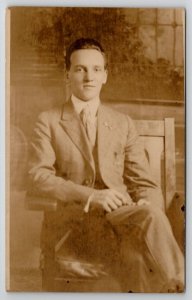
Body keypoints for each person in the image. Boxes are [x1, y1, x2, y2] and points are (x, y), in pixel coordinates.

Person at [28, 38, 184, 292]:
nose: (89, 77)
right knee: (138, 259)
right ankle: (183, 286)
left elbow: (144, 183)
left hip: (124, 222)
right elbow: (38, 176)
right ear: (68, 74)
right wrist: (92, 196)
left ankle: (180, 285)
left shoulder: (122, 123)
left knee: (139, 251)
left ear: (105, 76)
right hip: (77, 224)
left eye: (96, 70)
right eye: (80, 69)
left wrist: (147, 203)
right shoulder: (48, 121)